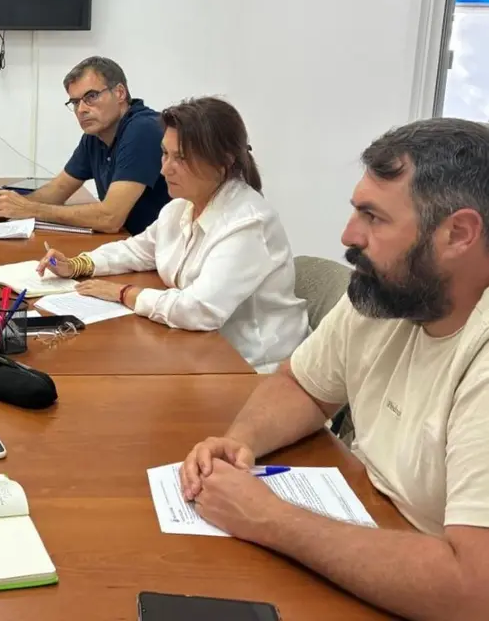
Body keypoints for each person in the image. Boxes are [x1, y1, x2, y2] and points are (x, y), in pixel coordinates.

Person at [178, 118, 489, 621]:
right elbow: (302, 385)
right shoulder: (387, 292)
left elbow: (474, 589)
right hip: (374, 530)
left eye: (374, 217)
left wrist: (267, 517)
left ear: (459, 234)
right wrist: (240, 443)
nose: (348, 235)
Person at [38, 97, 308, 372]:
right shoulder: (181, 207)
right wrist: (77, 265)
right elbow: (137, 250)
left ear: (223, 161)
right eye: (165, 154)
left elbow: (199, 310)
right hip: (199, 351)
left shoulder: (247, 224)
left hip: (253, 369)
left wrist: (123, 293)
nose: (165, 169)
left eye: (181, 158)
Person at [0, 56, 171, 234]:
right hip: (130, 243)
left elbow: (110, 217)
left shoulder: (143, 129)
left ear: (120, 93)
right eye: (75, 102)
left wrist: (28, 209)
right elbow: (58, 190)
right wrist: (8, 205)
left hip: (161, 251)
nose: (81, 110)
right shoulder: (95, 135)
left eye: (91, 96)